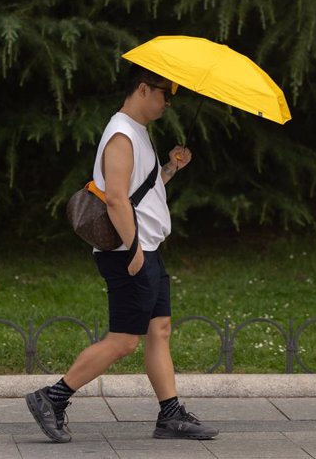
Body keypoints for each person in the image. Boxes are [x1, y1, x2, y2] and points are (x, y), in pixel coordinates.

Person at [25, 64, 219, 442]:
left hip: (146, 249)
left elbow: (137, 191)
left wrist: (169, 169)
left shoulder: (137, 133)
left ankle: (170, 415)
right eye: (165, 93)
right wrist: (133, 251)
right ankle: (52, 398)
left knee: (158, 330)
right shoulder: (120, 134)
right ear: (144, 89)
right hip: (129, 253)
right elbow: (115, 199)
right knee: (125, 340)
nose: (168, 102)